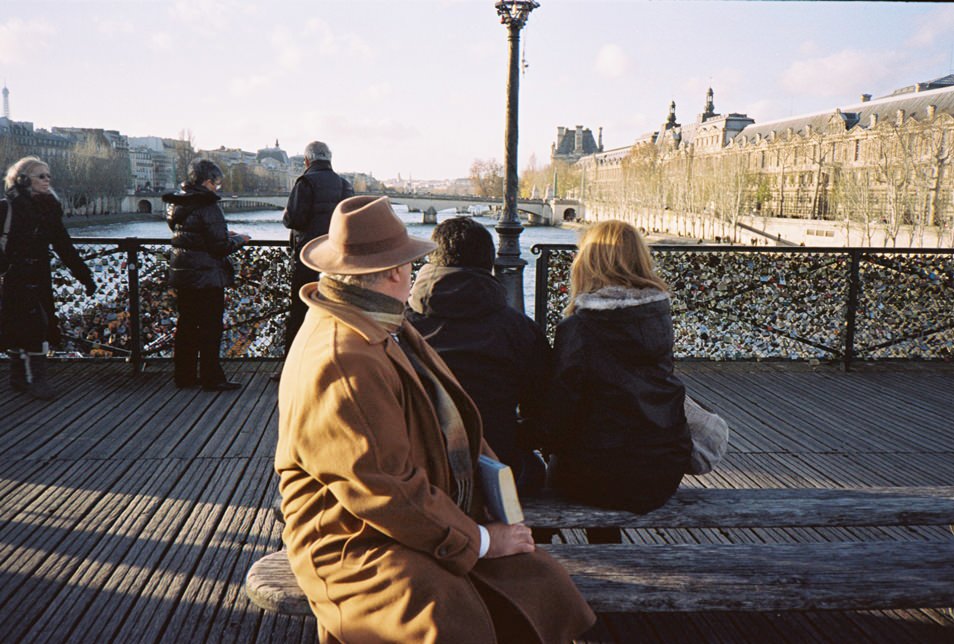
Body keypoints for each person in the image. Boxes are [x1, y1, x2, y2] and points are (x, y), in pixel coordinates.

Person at [276, 195, 594, 643]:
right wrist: (482, 540)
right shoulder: (344, 358)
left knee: (540, 580)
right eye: (409, 262)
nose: (413, 273)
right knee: (446, 617)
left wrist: (488, 512)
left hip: (403, 520)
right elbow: (381, 488)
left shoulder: (382, 322)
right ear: (393, 272)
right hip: (351, 539)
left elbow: (455, 418)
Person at [547, 220, 692, 514]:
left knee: (543, 479)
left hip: (599, 476)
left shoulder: (579, 327)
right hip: (662, 472)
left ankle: (546, 554)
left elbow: (561, 410)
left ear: (587, 263)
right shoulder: (658, 316)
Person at [406, 216, 549, 493]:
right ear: (488, 264)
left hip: (420, 474)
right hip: (493, 471)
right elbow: (542, 412)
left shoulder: (401, 327)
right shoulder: (519, 330)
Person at [0, 156, 96, 400]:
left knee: (26, 325)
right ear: (23, 180)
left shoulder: (49, 209)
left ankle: (20, 378)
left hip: (39, 275)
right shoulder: (7, 207)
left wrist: (84, 276)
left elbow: (64, 245)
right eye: (41, 176)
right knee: (33, 325)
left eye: (48, 176)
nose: (47, 180)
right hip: (12, 276)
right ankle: (36, 380)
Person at [163, 159, 250, 391]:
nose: (217, 189)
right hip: (207, 276)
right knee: (211, 328)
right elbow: (219, 247)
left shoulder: (176, 204)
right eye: (217, 184)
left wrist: (221, 234)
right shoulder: (208, 206)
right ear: (207, 182)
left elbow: (191, 235)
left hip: (183, 274)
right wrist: (239, 239)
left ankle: (184, 376)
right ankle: (212, 377)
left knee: (187, 326)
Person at [281, 140, 353, 357]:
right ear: (329, 159)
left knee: (301, 310)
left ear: (307, 160)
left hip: (308, 256)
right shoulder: (344, 184)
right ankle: (331, 358)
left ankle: (295, 361)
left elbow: (294, 220)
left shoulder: (305, 183)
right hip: (336, 259)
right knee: (334, 310)